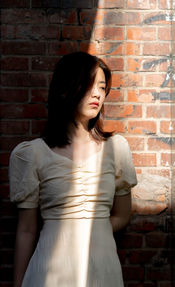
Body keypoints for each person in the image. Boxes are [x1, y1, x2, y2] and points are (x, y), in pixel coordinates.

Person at [9, 52, 137, 287]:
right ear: (66, 89)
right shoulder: (32, 154)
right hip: (50, 272)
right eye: (90, 85)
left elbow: (122, 214)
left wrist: (92, 226)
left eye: (102, 87)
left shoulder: (117, 149)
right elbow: (26, 229)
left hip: (103, 269)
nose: (98, 93)